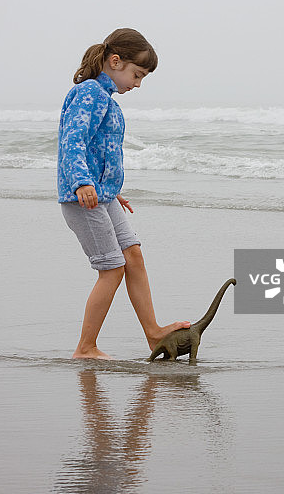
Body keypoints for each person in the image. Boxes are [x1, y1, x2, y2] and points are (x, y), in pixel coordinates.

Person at [58, 27, 190, 359]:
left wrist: (109, 190)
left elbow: (97, 150)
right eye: (136, 74)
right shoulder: (87, 93)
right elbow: (73, 141)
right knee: (112, 268)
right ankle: (85, 347)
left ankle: (152, 332)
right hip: (82, 197)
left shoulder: (109, 103)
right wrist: (82, 182)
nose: (138, 83)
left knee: (134, 255)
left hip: (101, 194)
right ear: (115, 61)